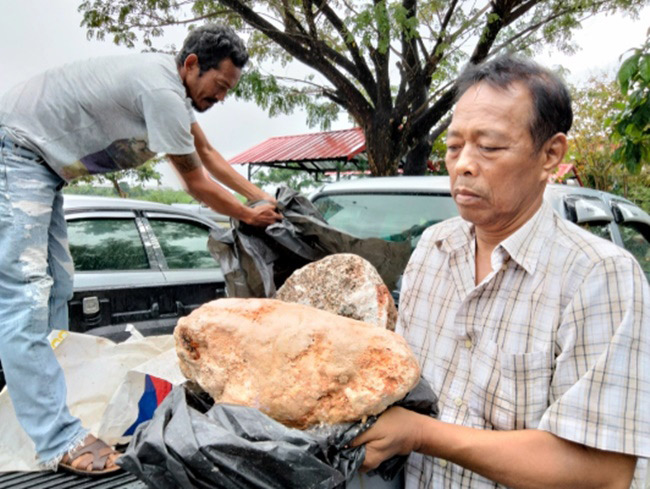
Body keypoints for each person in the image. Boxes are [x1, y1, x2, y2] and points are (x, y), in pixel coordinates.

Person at [351, 55, 650, 488]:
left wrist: (419, 434)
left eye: (488, 147)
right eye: (454, 147)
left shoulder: (599, 277)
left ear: (550, 154)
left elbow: (601, 471)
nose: (463, 165)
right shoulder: (433, 250)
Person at [0, 24, 281, 475]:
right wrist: (248, 216)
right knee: (26, 298)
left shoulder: (169, 88)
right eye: (221, 86)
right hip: (15, 152)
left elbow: (207, 153)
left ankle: (40, 412)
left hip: (42, 167)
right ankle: (57, 437)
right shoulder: (161, 91)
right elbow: (195, 182)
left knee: (58, 288)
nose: (222, 97)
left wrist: (262, 198)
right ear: (192, 65)